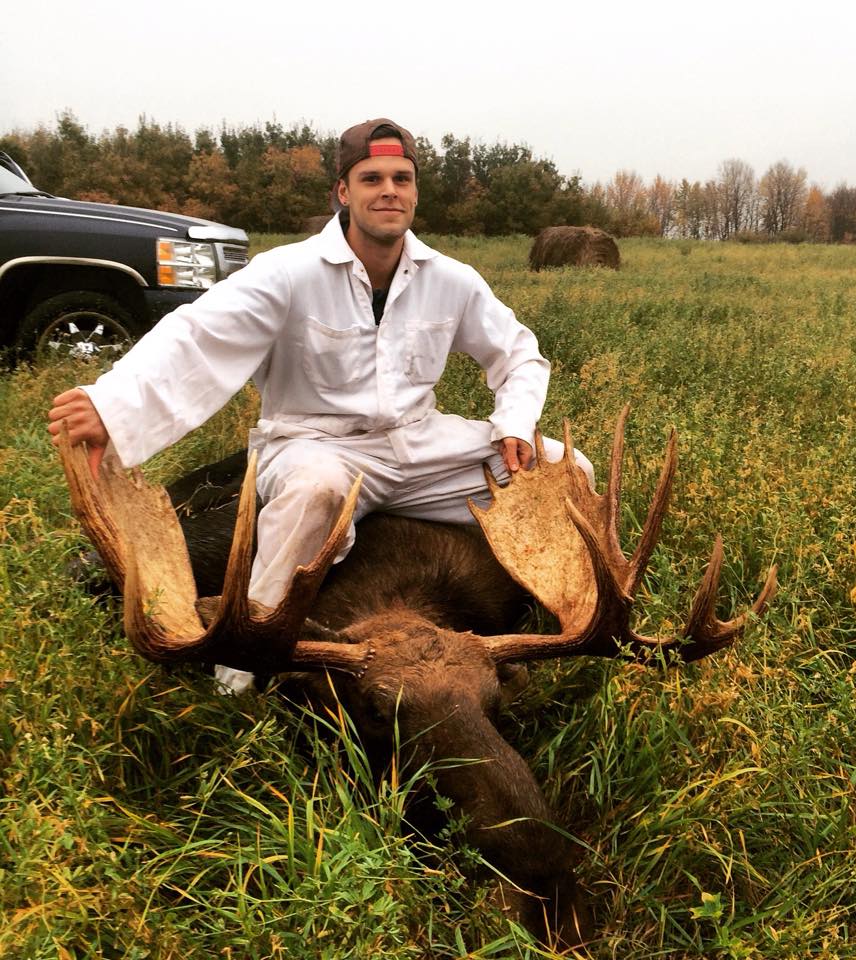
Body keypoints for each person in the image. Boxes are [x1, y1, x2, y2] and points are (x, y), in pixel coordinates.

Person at [48, 117, 593, 693]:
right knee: (316, 493)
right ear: (344, 192)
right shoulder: (287, 273)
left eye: (402, 179)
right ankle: (239, 677)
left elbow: (519, 353)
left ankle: (547, 627)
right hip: (316, 445)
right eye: (372, 178)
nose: (389, 191)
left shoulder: (450, 280)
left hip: (418, 442)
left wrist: (513, 422)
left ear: (415, 191)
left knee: (566, 473)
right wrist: (110, 405)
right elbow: (197, 338)